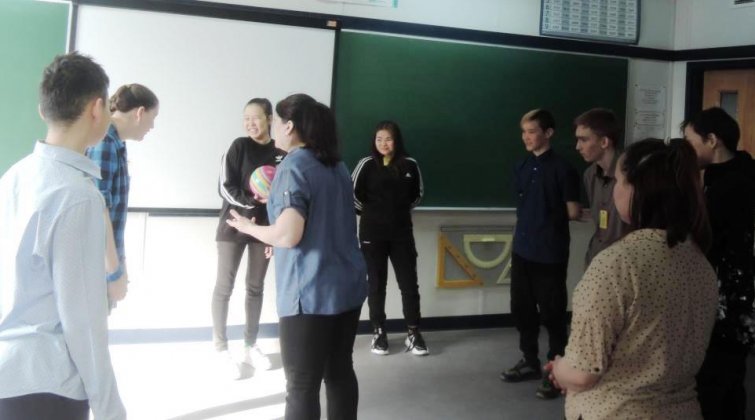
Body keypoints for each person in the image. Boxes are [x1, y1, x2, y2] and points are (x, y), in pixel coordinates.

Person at [549, 138, 718, 420]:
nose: (614, 189)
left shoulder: (616, 264)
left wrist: (558, 368)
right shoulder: (700, 261)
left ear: (637, 190)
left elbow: (582, 373)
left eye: (619, 181)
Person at [0, 52, 126, 419]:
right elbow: (84, 322)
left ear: (43, 110)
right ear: (97, 108)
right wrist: (110, 408)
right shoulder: (77, 196)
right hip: (46, 385)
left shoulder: (15, 175)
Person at [226, 93, 367, 420]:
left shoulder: (293, 166)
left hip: (311, 292)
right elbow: (322, 220)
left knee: (302, 385)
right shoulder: (337, 165)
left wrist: (251, 228)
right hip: (347, 286)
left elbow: (289, 234)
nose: (273, 127)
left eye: (276, 121)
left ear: (289, 126)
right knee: (339, 372)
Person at [500, 109, 581, 400]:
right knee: (522, 309)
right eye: (523, 132)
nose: (526, 137)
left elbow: (573, 211)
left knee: (552, 313)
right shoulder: (521, 166)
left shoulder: (563, 168)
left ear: (548, 133)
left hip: (550, 251)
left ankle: (555, 370)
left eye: (532, 131)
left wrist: (548, 217)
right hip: (523, 249)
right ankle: (530, 361)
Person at [681, 107, 755, 420]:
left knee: (718, 378)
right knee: (728, 378)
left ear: (712, 140)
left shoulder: (735, 185)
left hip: (731, 302)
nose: (686, 150)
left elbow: (707, 240)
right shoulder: (722, 174)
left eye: (691, 142)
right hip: (727, 298)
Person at [212, 98, 286, 377]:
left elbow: (284, 195)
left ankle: (249, 345)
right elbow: (225, 187)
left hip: (263, 230)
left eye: (255, 117)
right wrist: (251, 204)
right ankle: (221, 348)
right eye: (246, 118)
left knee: (255, 287)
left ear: (269, 119)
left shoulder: (280, 153)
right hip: (233, 225)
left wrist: (274, 234)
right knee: (224, 287)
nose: (250, 123)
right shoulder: (238, 147)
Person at [351, 121, 427, 356]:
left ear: (397, 141)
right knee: (376, 284)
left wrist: (396, 213)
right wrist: (374, 214)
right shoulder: (366, 164)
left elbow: (417, 195)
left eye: (388, 139)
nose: (383, 144)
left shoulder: (410, 164)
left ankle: (413, 333)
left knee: (409, 284)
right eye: (379, 139)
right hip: (372, 234)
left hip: (401, 233)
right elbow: (352, 194)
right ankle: (378, 332)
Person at [86, 83, 159, 305]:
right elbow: (99, 210)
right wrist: (114, 273)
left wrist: (120, 263)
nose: (152, 126)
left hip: (103, 262)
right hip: (95, 265)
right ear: (140, 112)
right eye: (153, 117)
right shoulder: (105, 142)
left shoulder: (116, 141)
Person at [574, 108, 629, 267]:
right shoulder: (590, 175)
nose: (578, 147)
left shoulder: (629, 174)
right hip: (596, 258)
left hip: (623, 262)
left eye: (584, 140)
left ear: (604, 142)